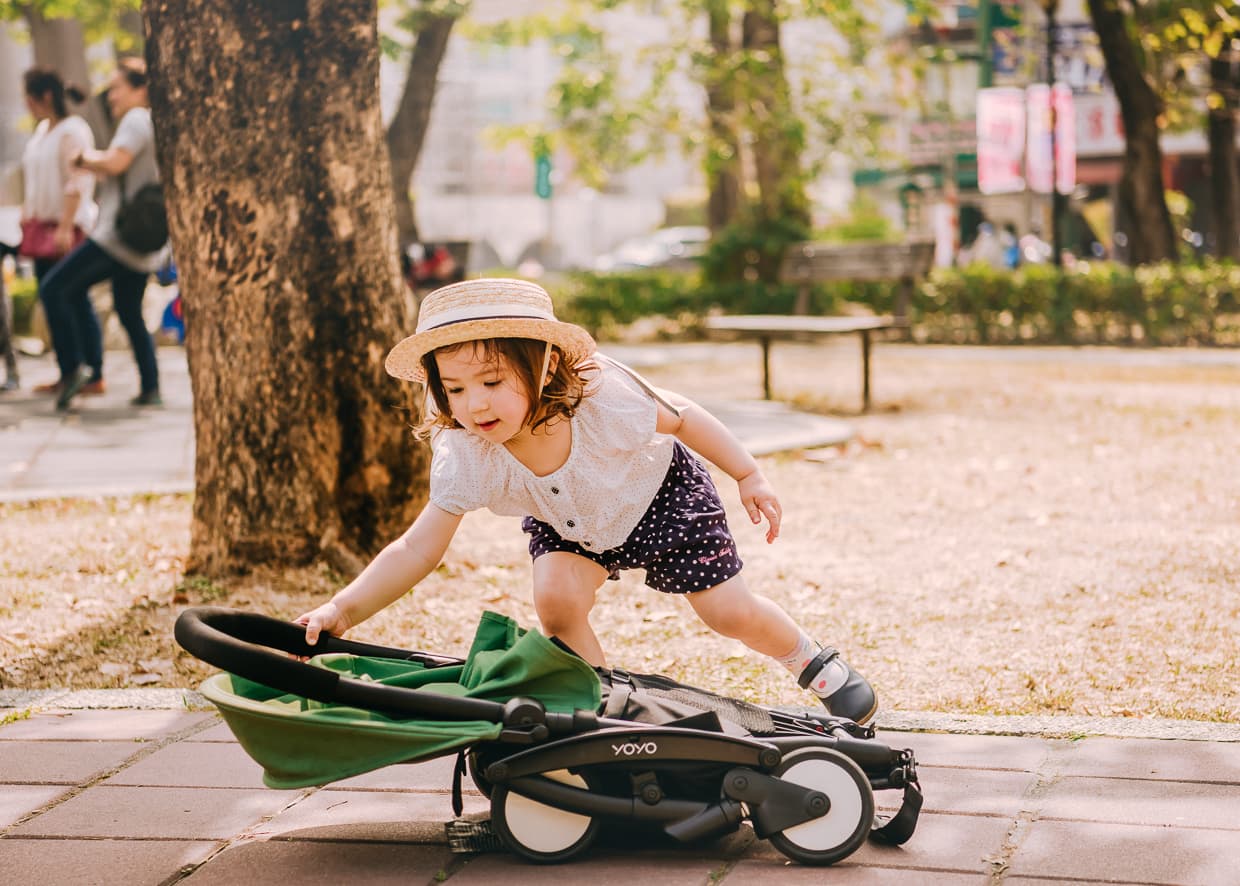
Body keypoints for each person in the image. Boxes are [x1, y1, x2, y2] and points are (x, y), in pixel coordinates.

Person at [297, 278, 879, 724]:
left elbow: (683, 418)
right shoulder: (467, 448)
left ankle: (811, 661)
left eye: (492, 381)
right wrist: (342, 612)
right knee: (556, 601)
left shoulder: (603, 396)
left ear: (545, 363)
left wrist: (748, 473)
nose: (474, 404)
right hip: (569, 526)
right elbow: (416, 547)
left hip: (660, 497)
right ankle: (602, 705)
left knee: (728, 612)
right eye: (454, 388)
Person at [42, 57, 168, 410]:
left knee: (56, 288)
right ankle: (150, 386)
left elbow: (116, 162)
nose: (111, 96)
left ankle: (75, 368)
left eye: (117, 88)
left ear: (140, 89)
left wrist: (83, 158)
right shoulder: (153, 122)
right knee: (129, 311)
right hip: (140, 241)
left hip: (117, 237)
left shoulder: (135, 119)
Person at [20, 67, 102, 397]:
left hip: (65, 226)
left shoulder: (73, 131)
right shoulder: (42, 131)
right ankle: (68, 369)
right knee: (51, 297)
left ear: (45, 96)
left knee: (73, 297)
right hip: (41, 227)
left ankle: (91, 371)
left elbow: (77, 180)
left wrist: (66, 225)